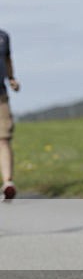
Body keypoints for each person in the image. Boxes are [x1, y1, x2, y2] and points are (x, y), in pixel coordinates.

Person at [0, 29, 20, 201]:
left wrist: (12, 78)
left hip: (1, 95)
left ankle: (8, 183)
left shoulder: (4, 36)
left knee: (4, 137)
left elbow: (7, 59)